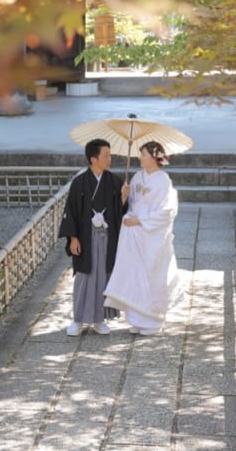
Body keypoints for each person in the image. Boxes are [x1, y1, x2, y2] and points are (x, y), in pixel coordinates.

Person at [103, 140, 182, 335]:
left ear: (155, 156)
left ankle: (153, 320)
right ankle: (137, 318)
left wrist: (141, 220)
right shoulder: (137, 177)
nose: (141, 158)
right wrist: (123, 197)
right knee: (134, 273)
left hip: (151, 235)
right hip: (134, 233)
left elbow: (167, 211)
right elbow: (131, 204)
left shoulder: (163, 180)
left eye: (144, 154)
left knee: (152, 273)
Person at [58, 138, 128, 336]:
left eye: (110, 155)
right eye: (106, 155)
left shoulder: (115, 181)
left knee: (104, 276)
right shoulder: (79, 183)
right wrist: (73, 238)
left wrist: (122, 199)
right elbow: (70, 211)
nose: (110, 159)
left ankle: (99, 319)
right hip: (86, 236)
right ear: (93, 159)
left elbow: (119, 213)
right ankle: (78, 319)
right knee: (84, 277)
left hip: (107, 237)